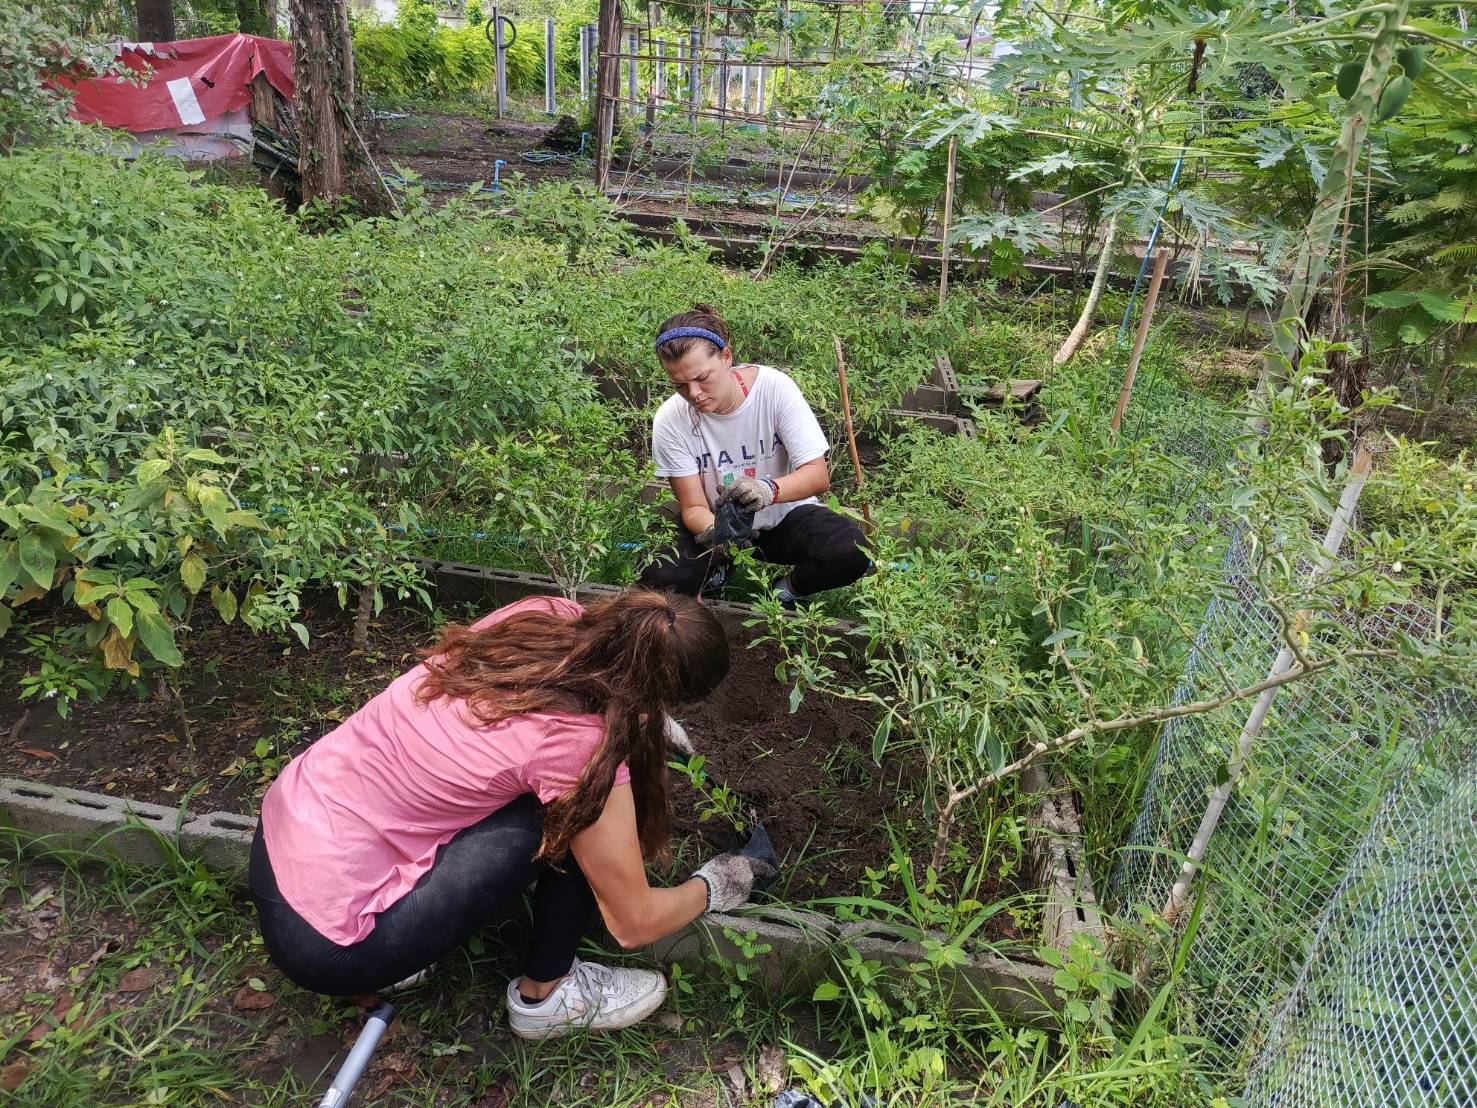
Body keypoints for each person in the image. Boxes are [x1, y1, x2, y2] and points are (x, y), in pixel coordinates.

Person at [248, 590, 776, 1040]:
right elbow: (634, 922)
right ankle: (546, 997)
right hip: (329, 942)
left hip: (288, 823)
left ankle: (407, 924)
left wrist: (642, 719)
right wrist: (721, 882)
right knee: (573, 817)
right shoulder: (579, 748)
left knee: (555, 794)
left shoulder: (541, 615)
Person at [638, 304, 869, 605]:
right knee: (662, 578)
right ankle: (717, 569)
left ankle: (786, 590)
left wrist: (768, 490)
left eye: (702, 378)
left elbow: (817, 474)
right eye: (679, 385)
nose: (693, 393)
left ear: (726, 357)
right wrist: (717, 532)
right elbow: (693, 505)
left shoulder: (774, 389)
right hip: (717, 522)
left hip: (782, 518)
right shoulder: (671, 419)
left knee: (849, 550)